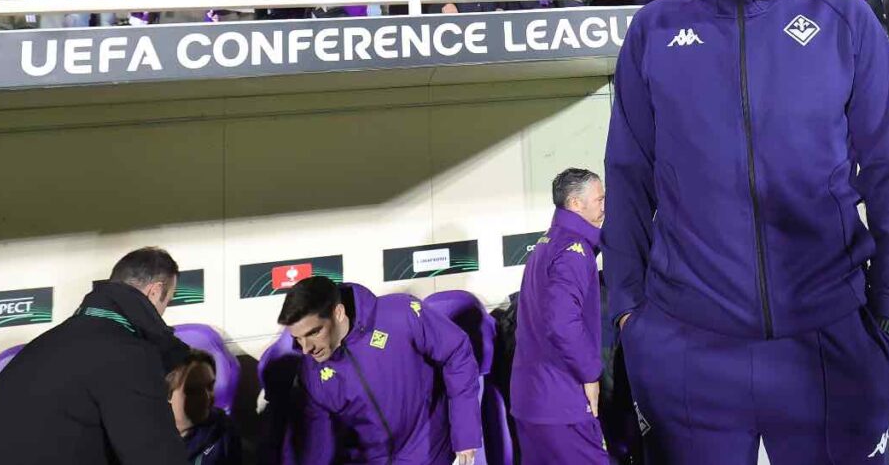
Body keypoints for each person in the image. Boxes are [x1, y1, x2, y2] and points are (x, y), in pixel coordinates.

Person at [605, 0, 889, 464]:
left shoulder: (843, 21)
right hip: (686, 343)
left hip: (830, 340)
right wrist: (628, 313)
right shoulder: (655, 31)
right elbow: (628, 177)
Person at [0, 248, 191, 465]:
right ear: (154, 291)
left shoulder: (39, 347)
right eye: (167, 302)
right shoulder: (129, 354)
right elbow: (156, 456)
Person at [279, 276, 482, 465]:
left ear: (338, 313)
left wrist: (465, 433)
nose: (306, 348)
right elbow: (315, 448)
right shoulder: (310, 374)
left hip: (434, 452)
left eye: (314, 332)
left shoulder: (400, 314)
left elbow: (456, 353)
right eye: (297, 338)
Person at [512, 168, 606, 465]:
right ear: (576, 204)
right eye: (600, 199)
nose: (605, 206)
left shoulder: (546, 244)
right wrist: (590, 373)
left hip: (531, 401)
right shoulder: (573, 252)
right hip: (562, 403)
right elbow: (562, 324)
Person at [166, 349, 242, 465]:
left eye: (210, 386)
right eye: (194, 390)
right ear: (167, 394)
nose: (207, 398)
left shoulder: (223, 432)